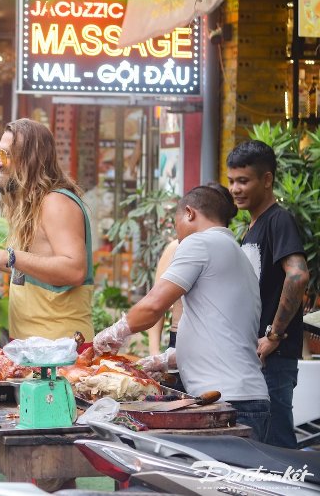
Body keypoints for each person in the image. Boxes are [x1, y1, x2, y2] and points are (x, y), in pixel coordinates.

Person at [92, 185, 271, 441]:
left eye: (176, 226)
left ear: (189, 213)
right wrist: (166, 360)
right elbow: (223, 337)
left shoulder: (201, 242)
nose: (178, 237)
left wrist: (116, 331)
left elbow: (154, 305)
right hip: (246, 399)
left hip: (228, 402)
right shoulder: (237, 255)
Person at [0, 118, 95, 341]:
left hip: (59, 347)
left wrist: (10, 256)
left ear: (29, 159)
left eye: (5, 155)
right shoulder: (33, 201)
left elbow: (74, 270)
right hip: (31, 343)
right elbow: (36, 270)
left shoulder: (56, 202)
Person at [227, 140, 309, 448]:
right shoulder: (252, 226)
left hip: (273, 359)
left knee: (277, 448)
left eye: (243, 181)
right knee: (260, 445)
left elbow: (298, 275)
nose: (235, 188)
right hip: (255, 358)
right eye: (232, 180)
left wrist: (273, 336)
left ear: (267, 180)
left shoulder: (279, 219)